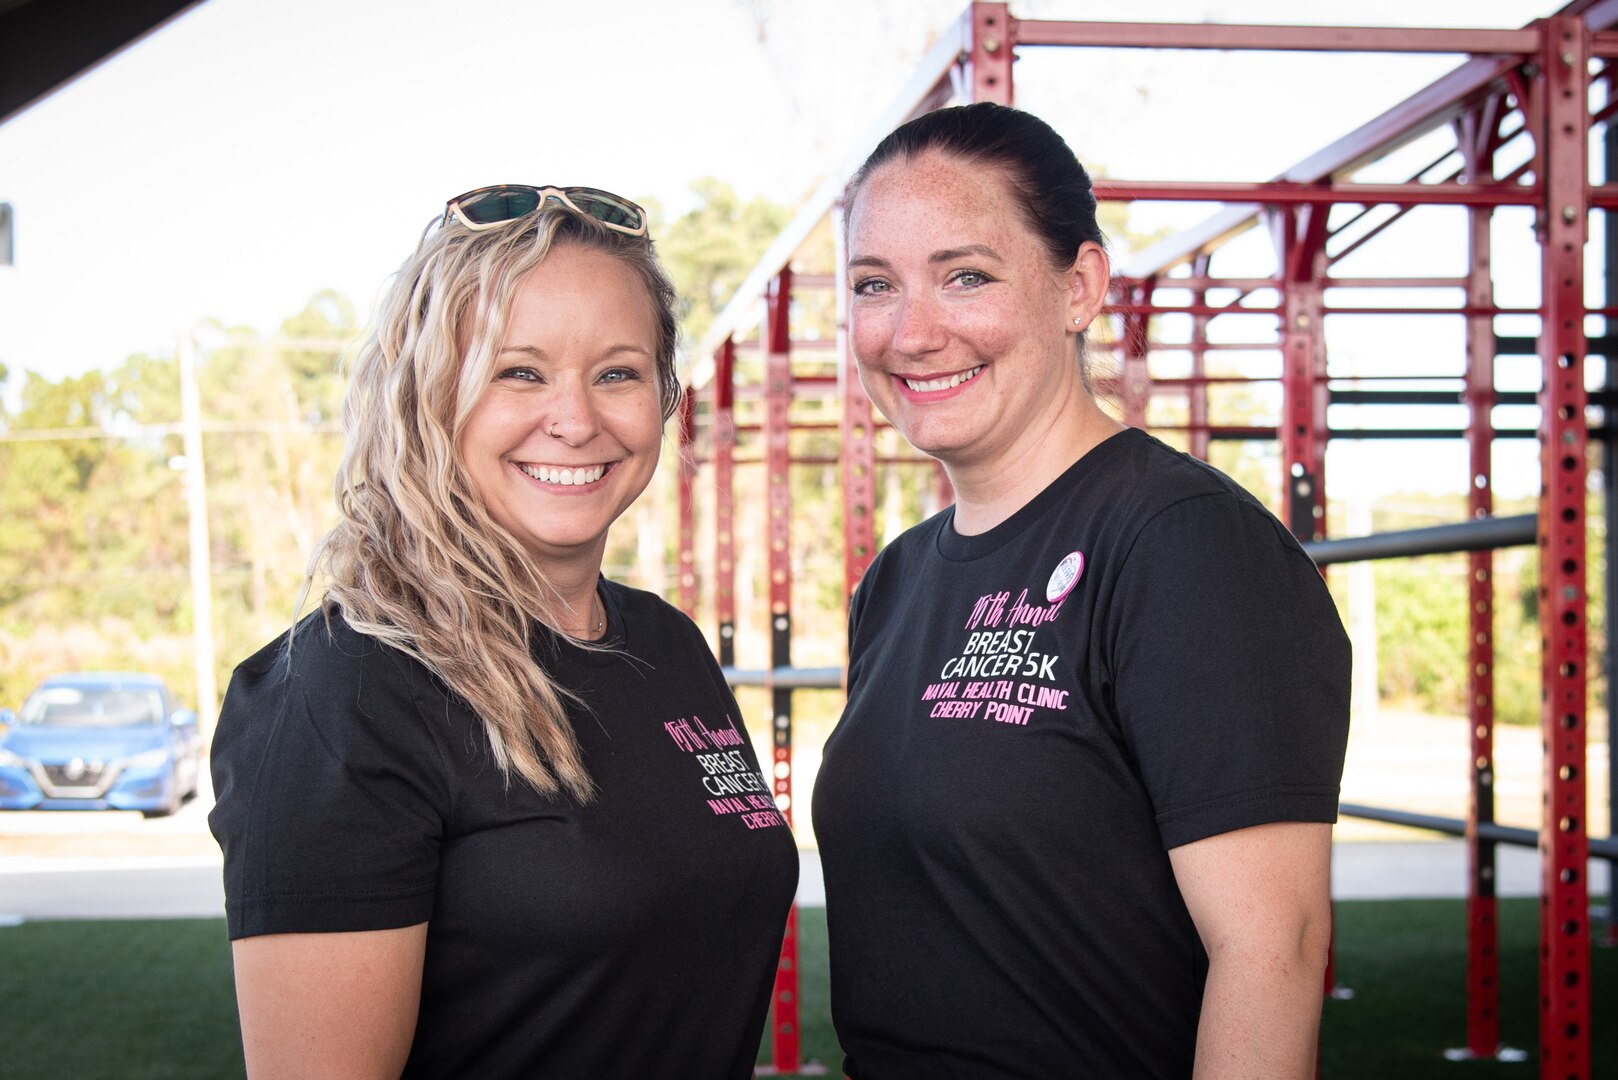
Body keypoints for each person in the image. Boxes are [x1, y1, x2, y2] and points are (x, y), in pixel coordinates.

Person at [810, 104, 1351, 1079]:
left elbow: (1273, 951)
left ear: (1079, 286)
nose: (911, 331)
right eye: (872, 285)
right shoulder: (895, 581)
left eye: (965, 275)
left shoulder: (1183, 546)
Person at [209, 185, 798, 1079]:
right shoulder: (346, 692)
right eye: (518, 372)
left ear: (664, 397)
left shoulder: (667, 646)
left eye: (617, 372)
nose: (575, 419)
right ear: (427, 398)